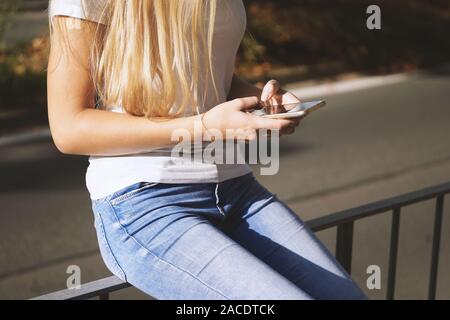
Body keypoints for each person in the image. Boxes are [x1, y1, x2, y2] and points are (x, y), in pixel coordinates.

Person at [47, 0, 366, 300]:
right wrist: (203, 126)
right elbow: (68, 128)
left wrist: (263, 101)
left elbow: (208, 76)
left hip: (236, 189)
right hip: (144, 201)